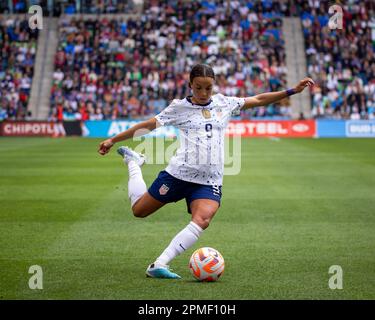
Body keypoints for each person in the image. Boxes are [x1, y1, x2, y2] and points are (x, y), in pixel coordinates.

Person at [98, 64, 314, 279]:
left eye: (208, 88)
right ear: (190, 84)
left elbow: (257, 100)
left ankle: (159, 264)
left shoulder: (224, 103)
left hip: (209, 181)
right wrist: (112, 139)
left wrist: (292, 91)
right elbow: (148, 125)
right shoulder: (178, 107)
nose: (203, 93)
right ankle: (133, 162)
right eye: (198, 87)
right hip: (177, 176)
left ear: (214, 86)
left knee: (202, 220)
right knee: (139, 211)